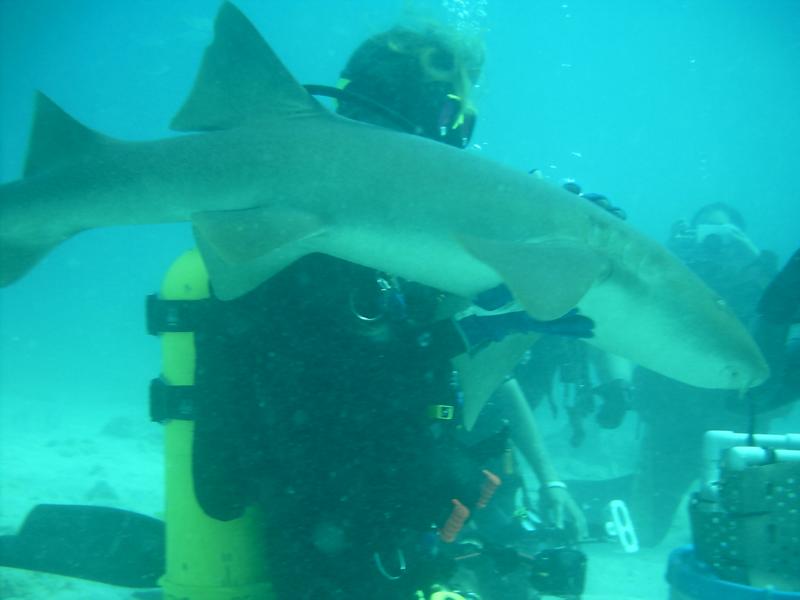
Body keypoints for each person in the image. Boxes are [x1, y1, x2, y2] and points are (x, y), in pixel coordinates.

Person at [179, 25, 587, 599]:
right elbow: (335, 383)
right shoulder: (316, 222)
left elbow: (480, 383)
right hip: (329, 516)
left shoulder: (391, 235)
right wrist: (465, 329)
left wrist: (500, 304)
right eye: (452, 116)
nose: (458, 140)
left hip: (388, 514)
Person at [628, 202, 794, 547]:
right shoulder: (672, 273)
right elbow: (636, 304)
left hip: (740, 426)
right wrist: (669, 252)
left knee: (746, 533)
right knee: (645, 527)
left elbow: (778, 315)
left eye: (725, 235)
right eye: (705, 234)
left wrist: (752, 256)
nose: (714, 244)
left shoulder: (757, 279)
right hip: (670, 422)